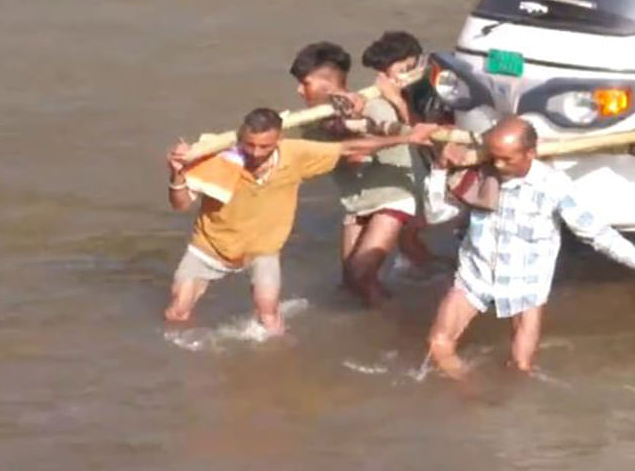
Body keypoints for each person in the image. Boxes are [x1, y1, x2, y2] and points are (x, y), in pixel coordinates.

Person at [423, 116, 635, 379]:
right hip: (475, 276)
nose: (499, 165)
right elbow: (435, 216)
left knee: (519, 369)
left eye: (507, 159)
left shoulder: (553, 186)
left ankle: (500, 401)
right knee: (438, 345)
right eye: (495, 158)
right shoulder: (480, 173)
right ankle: (472, 395)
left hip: (524, 285)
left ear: (530, 153)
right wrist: (439, 170)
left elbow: (599, 234)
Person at [164, 108, 437, 333]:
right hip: (209, 247)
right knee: (177, 313)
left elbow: (347, 148)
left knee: (269, 317)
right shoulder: (219, 158)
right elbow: (181, 204)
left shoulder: (294, 154)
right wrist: (177, 175)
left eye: (265, 146)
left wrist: (408, 138)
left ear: (279, 139)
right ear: (240, 138)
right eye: (249, 145)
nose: (256, 153)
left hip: (262, 250)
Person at [289, 41, 430, 306]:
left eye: (304, 83)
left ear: (327, 84)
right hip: (356, 203)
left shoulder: (374, 107)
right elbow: (318, 157)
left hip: (391, 197)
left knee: (361, 273)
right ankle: (389, 306)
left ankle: (391, 317)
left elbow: (357, 157)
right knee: (350, 282)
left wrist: (352, 124)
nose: (298, 90)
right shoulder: (312, 123)